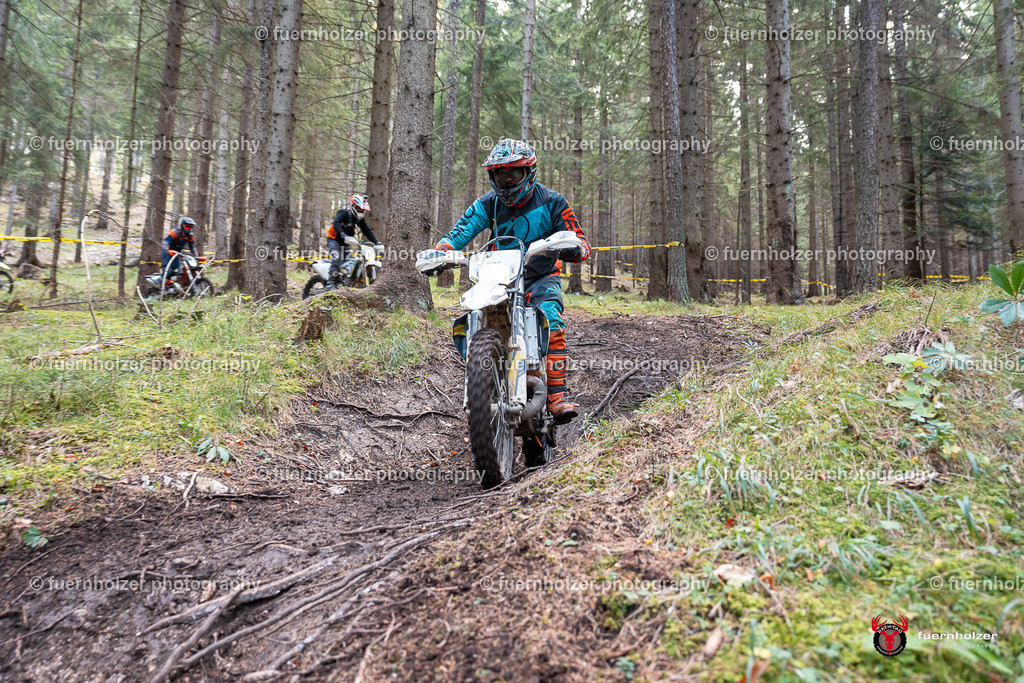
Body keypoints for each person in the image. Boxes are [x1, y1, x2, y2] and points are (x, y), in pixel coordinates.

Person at [430, 138, 590, 424]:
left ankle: (556, 395)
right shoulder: (489, 203)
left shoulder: (553, 201)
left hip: (540, 276)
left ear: (528, 172)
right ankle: (484, 382)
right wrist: (443, 249)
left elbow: (580, 240)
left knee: (551, 320)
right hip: (499, 277)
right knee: (475, 316)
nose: (506, 180)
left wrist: (573, 247)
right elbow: (462, 229)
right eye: (500, 174)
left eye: (513, 173)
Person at [328, 194, 383, 284]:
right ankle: (331, 283)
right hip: (334, 239)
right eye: (359, 209)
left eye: (363, 210)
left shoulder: (359, 219)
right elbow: (336, 224)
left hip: (346, 242)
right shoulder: (343, 213)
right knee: (337, 259)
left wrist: (376, 242)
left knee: (350, 261)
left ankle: (345, 281)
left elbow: (367, 231)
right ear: (354, 207)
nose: (361, 211)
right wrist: (343, 235)